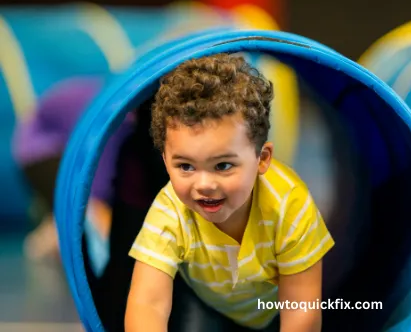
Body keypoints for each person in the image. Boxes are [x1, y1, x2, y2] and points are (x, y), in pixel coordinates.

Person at [125, 53, 335, 332]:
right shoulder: (171, 211)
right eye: (185, 166)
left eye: (223, 165)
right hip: (207, 305)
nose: (204, 184)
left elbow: (302, 311)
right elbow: (147, 304)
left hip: (274, 310)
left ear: (262, 159)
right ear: (165, 160)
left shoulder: (288, 205)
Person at [12, 76, 135, 276]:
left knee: (91, 206)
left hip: (56, 138)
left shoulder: (118, 112)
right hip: (40, 151)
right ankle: (61, 235)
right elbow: (96, 195)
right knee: (87, 205)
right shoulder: (113, 121)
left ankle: (55, 229)